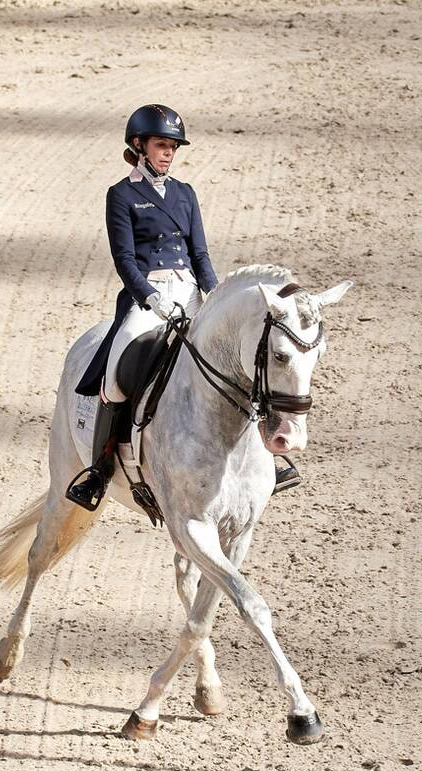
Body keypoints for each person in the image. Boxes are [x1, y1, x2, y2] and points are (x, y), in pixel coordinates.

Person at [66, 104, 301, 511]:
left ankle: (266, 455)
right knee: (116, 376)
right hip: (148, 297)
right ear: (138, 146)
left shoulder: (185, 193)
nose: (168, 153)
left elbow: (200, 253)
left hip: (190, 291)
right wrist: (150, 298)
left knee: (238, 362)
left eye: (173, 146)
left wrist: (215, 294)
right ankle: (100, 469)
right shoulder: (121, 195)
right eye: (161, 145)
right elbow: (124, 259)